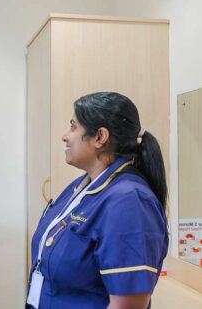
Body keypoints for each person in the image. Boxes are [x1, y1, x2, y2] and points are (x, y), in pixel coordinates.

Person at [26, 92, 168, 309]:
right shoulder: (84, 187)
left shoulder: (129, 201)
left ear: (100, 137)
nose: (65, 136)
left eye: (73, 127)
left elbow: (128, 304)